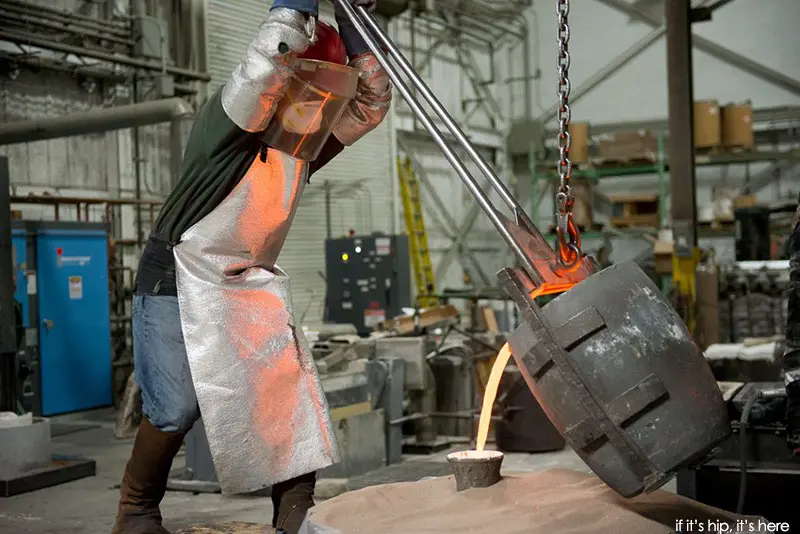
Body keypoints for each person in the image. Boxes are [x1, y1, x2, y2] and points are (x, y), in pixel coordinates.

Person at [112, 1, 390, 532]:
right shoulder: (229, 123)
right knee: (175, 407)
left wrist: (356, 22)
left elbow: (371, 103)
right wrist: (297, 6)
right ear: (290, 80)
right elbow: (269, 54)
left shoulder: (301, 142)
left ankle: (294, 512)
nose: (320, 103)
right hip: (179, 270)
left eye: (330, 95)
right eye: (313, 87)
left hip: (246, 280)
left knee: (286, 391)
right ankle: (136, 512)